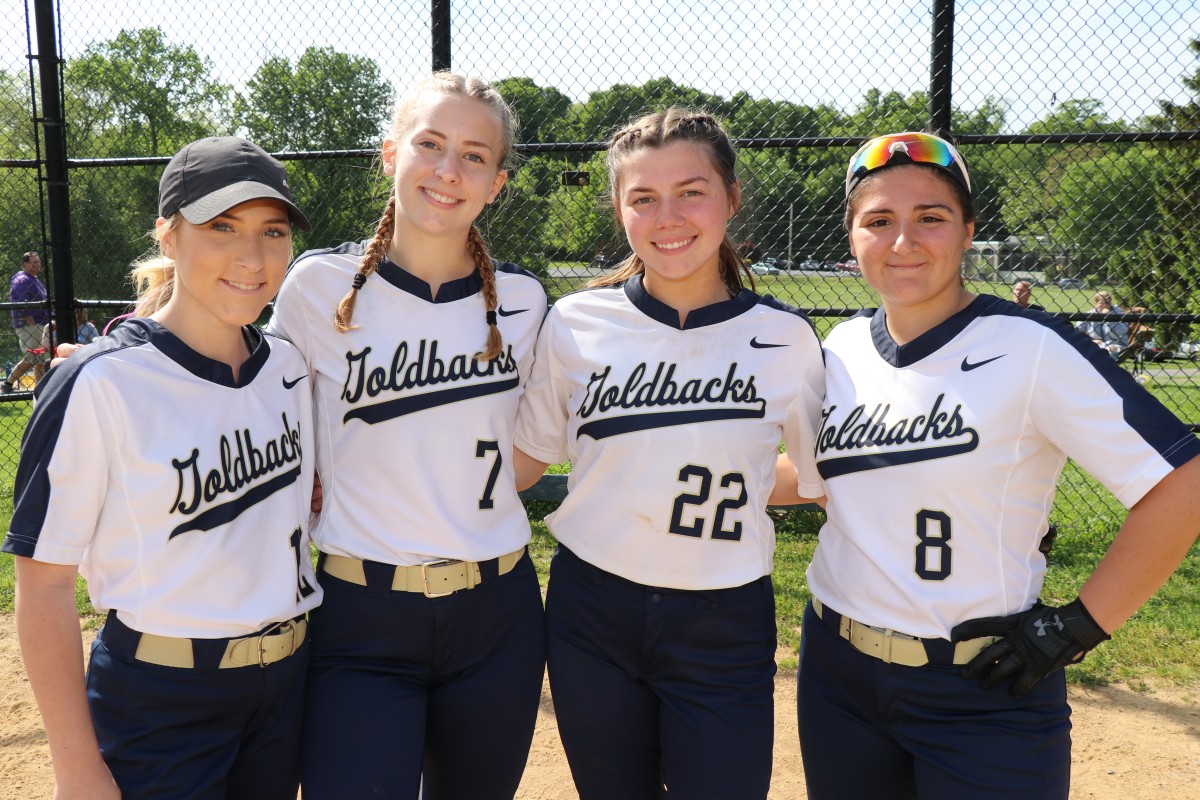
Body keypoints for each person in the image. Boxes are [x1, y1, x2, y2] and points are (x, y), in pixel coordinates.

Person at [796, 131, 1200, 799]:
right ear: (852, 238)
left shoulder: (1030, 346)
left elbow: (1183, 484)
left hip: (983, 685)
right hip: (836, 670)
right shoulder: (841, 346)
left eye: (931, 217)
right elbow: (825, 474)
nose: (904, 241)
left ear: (968, 233)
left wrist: (1078, 626)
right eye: (879, 221)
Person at [513, 108, 825, 799]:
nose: (669, 216)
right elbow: (526, 460)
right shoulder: (575, 323)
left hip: (724, 617)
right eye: (643, 198)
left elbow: (815, 477)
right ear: (619, 210)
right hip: (591, 609)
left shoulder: (786, 339)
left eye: (692, 191)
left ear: (732, 198)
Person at [3, 136, 322, 800]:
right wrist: (78, 770)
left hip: (287, 685)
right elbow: (44, 588)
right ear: (168, 237)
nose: (252, 257)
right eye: (221, 227)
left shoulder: (290, 367)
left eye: (272, 230)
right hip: (162, 698)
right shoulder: (99, 383)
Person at [266, 72, 548, 800]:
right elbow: (245, 392)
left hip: (497, 615)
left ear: (497, 182)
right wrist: (126, 348)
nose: (449, 170)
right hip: (360, 613)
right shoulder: (316, 288)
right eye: (430, 144)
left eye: (474, 155)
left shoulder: (522, 302)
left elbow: (532, 448)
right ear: (390, 154)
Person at [2, 251, 51, 393]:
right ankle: (8, 383)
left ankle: (40, 390)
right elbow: (20, 303)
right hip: (30, 326)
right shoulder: (22, 279)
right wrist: (31, 323)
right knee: (32, 358)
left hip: (39, 324)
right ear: (25, 264)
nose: (38, 264)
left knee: (40, 360)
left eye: (39, 261)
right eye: (34, 262)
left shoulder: (34, 279)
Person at [1076, 289, 1128, 357]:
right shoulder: (1090, 315)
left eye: (1107, 302)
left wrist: (1109, 318)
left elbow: (1120, 334)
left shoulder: (1119, 314)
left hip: (1117, 345)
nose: (1104, 305)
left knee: (1110, 352)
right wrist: (1090, 341)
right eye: (1101, 303)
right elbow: (1078, 332)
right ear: (1095, 304)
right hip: (1095, 345)